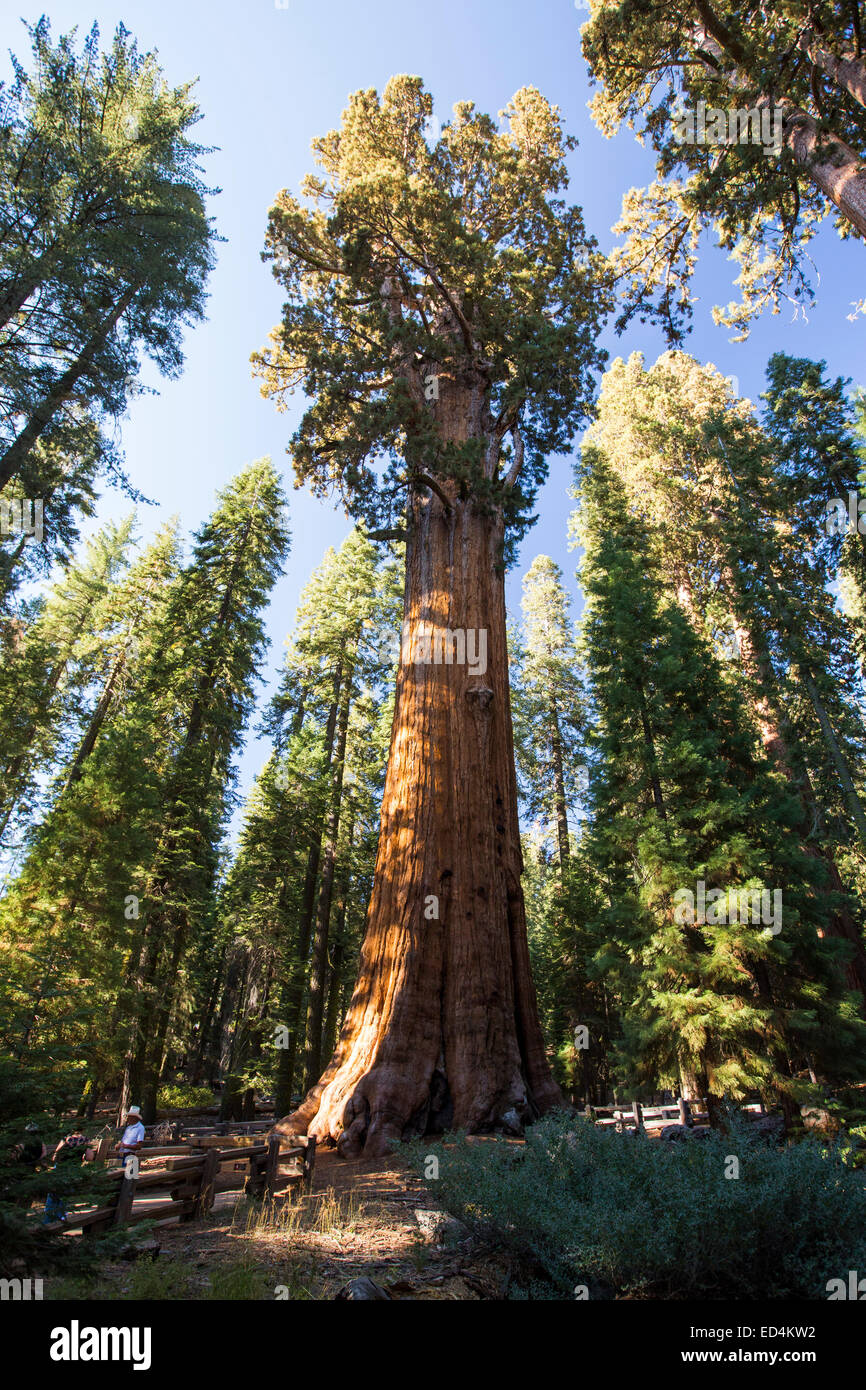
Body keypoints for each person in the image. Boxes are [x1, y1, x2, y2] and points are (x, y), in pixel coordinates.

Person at [43, 1128, 89, 1223]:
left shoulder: (66, 1138)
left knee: (53, 1192)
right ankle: (61, 1215)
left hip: (60, 1167)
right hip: (74, 1169)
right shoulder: (84, 1140)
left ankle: (48, 1217)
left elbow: (56, 1154)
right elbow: (90, 1156)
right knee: (65, 1192)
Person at [115, 1105, 146, 1171]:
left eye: (129, 1117)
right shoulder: (128, 1127)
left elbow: (139, 1146)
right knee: (118, 1173)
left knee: (129, 1176)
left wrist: (126, 1146)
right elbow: (124, 1141)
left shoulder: (140, 1128)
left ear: (134, 1118)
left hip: (130, 1156)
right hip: (122, 1155)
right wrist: (119, 1145)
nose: (127, 1119)